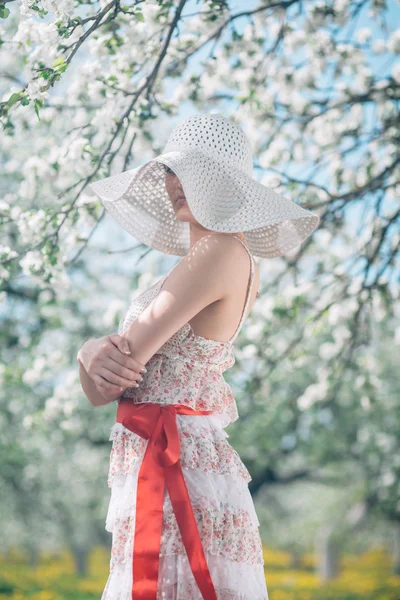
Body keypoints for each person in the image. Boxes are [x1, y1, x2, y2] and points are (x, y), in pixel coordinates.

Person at [77, 113, 319, 599]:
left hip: (176, 465)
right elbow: (101, 389)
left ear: (230, 185)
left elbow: (121, 367)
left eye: (196, 172)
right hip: (160, 456)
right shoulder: (198, 261)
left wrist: (89, 352)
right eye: (170, 171)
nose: (176, 184)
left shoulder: (222, 251)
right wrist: (89, 354)